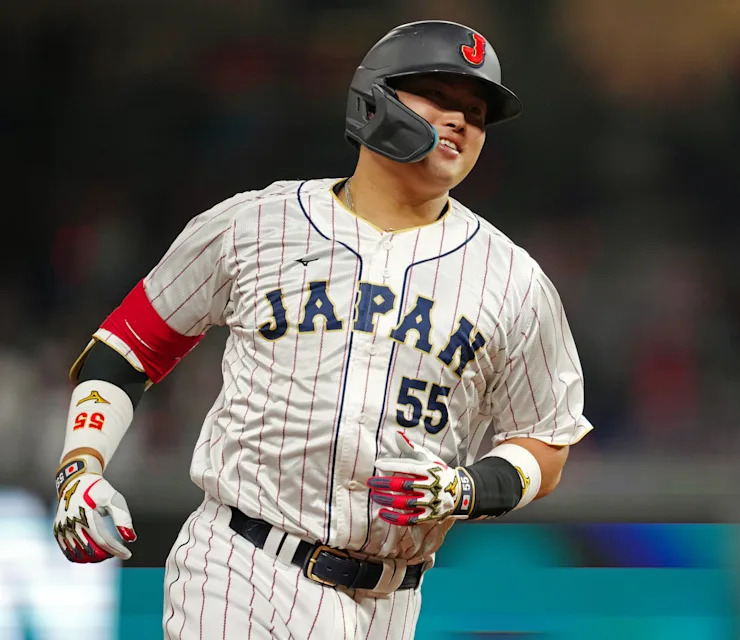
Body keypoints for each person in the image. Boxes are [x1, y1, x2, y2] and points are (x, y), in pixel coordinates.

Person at [51, 20, 593, 639]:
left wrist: (469, 488)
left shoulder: (513, 279)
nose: (461, 120)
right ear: (375, 98)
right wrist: (81, 468)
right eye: (438, 97)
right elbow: (127, 347)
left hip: (391, 600)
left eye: (475, 110)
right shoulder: (256, 224)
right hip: (245, 566)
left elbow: (546, 442)